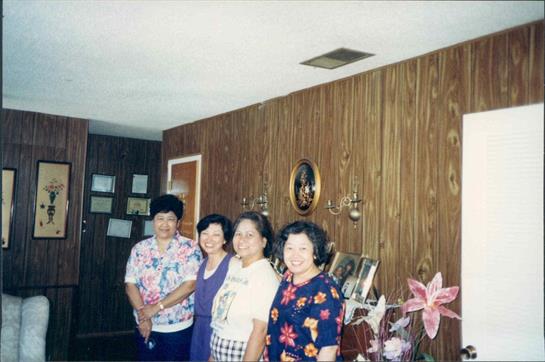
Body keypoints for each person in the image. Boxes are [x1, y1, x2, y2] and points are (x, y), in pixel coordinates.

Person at [125, 194, 202, 361]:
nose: (165, 224)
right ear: (153, 220)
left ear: (178, 222)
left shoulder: (190, 248)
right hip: (145, 325)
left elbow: (190, 285)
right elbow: (130, 285)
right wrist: (143, 315)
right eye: (160, 218)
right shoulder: (139, 249)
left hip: (178, 327)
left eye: (171, 219)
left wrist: (157, 307)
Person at [265, 221, 345, 361]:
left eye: (303, 248)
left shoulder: (325, 290)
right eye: (289, 248)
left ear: (315, 252)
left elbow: (329, 349)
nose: (295, 255)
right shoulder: (288, 277)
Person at [210, 211, 279, 361]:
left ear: (264, 241)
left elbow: (260, 332)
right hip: (219, 348)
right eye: (238, 234)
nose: (242, 239)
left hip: (243, 353)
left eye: (249, 235)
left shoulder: (264, 275)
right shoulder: (235, 266)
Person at [189, 214, 234, 362]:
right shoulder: (202, 263)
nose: (209, 239)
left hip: (220, 331)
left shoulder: (233, 264)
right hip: (199, 330)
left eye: (216, 235)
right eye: (205, 233)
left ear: (225, 239)